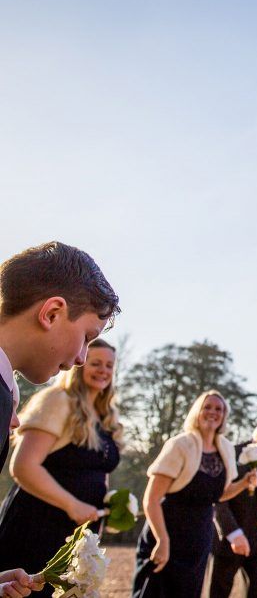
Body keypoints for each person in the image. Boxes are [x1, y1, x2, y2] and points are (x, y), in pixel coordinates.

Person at [0, 242, 117, 598]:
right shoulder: (51, 398)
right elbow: (25, 465)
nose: (83, 358)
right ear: (52, 313)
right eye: (86, 338)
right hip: (37, 530)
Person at [0, 339, 123, 596]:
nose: (103, 370)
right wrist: (72, 504)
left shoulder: (105, 415)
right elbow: (23, 466)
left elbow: (99, 472)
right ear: (79, 365)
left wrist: (109, 504)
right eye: (96, 363)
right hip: (37, 526)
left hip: (77, 532)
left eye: (109, 365)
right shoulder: (58, 400)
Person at [132, 390, 257, 597]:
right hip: (167, 530)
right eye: (207, 407)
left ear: (224, 416)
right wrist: (162, 541)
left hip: (199, 536)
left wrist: (244, 483)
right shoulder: (179, 445)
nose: (213, 412)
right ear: (196, 412)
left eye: (219, 409)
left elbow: (219, 495)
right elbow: (151, 499)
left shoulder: (226, 449)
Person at [209, 414, 257, 598]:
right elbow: (218, 499)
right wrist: (233, 533)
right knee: (219, 592)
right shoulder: (233, 454)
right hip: (231, 538)